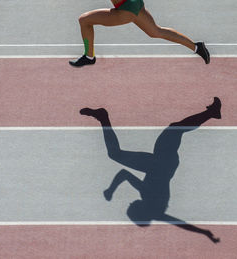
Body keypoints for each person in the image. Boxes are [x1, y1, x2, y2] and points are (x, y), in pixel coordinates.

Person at [80, 97, 221, 243]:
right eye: (131, 207)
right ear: (139, 209)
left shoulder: (156, 211)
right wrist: (111, 190)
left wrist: (205, 233)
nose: (130, 203)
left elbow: (179, 223)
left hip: (163, 165)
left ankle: (211, 113)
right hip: (159, 164)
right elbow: (124, 174)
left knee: (174, 129)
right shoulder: (146, 194)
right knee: (172, 130)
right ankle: (103, 117)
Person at [69, 0, 210, 67]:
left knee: (84, 20)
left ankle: (89, 56)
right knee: (156, 31)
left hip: (126, 10)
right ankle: (197, 47)